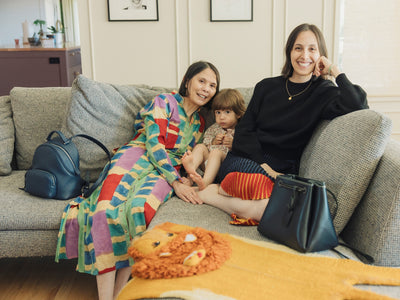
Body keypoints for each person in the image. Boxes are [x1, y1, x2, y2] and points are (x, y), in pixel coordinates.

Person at [55, 61, 220, 300]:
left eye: (212, 85)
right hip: (138, 154)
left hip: (165, 171)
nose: (206, 88)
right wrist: (174, 180)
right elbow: (154, 143)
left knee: (138, 209)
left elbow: (191, 157)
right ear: (188, 81)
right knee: (105, 211)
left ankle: (121, 294)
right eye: (201, 81)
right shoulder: (165, 102)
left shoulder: (201, 124)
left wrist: (189, 174)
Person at [197, 23, 368, 225]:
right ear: (289, 52)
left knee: (275, 192)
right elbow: (244, 131)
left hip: (283, 167)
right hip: (248, 159)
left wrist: (334, 70)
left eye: (312, 49)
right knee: (259, 183)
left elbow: (358, 103)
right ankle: (246, 197)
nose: (304, 55)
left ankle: (216, 195)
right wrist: (265, 167)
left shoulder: (324, 92)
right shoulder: (266, 86)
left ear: (321, 55)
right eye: (298, 48)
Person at [182, 88, 246, 190]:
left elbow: (247, 149)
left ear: (238, 113)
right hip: (208, 166)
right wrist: (213, 141)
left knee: (216, 152)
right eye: (218, 112)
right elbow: (206, 140)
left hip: (226, 166)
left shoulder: (242, 129)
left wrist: (234, 144)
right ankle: (190, 176)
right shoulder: (215, 128)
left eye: (227, 112)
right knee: (200, 146)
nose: (221, 117)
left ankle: (205, 183)